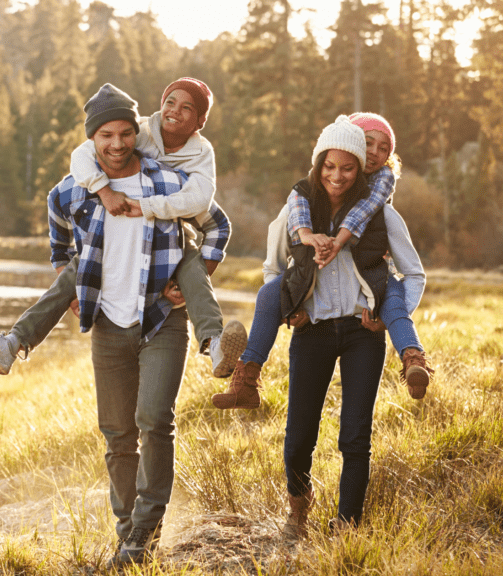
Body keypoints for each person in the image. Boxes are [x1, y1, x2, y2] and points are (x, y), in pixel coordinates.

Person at [39, 84, 231, 567]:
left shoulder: (167, 179)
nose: (119, 143)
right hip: (107, 320)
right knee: (117, 434)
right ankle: (128, 535)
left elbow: (217, 222)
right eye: (106, 135)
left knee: (154, 421)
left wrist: (193, 276)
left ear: (135, 134)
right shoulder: (77, 185)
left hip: (162, 317)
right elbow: (57, 220)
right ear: (93, 139)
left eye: (126, 133)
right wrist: (68, 280)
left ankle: (144, 533)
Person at [0, 78, 246, 380]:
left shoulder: (199, 156)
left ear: (200, 121)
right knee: (79, 266)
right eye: (170, 102)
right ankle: (11, 344)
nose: (174, 111)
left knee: (191, 264)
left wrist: (191, 277)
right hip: (114, 238)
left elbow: (205, 204)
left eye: (186, 107)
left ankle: (215, 344)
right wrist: (103, 191)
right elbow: (83, 155)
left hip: (174, 238)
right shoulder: (137, 132)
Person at [262, 116, 425, 536]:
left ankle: (347, 523)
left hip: (361, 334)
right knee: (299, 434)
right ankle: (298, 507)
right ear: (322, 163)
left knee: (355, 435)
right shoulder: (298, 209)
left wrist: (388, 315)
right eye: (331, 166)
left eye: (350, 166)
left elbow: (414, 274)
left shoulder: (381, 215)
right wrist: (289, 308)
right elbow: (272, 269)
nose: (339, 174)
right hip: (312, 331)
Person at [211, 112, 433, 410]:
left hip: (371, 281)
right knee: (268, 294)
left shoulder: (380, 190)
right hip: (313, 299)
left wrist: (340, 241)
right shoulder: (307, 191)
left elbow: (367, 213)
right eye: (368, 143)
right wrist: (292, 301)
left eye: (384, 149)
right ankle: (246, 376)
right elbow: (283, 239)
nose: (375, 154)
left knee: (392, 298)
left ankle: (413, 358)